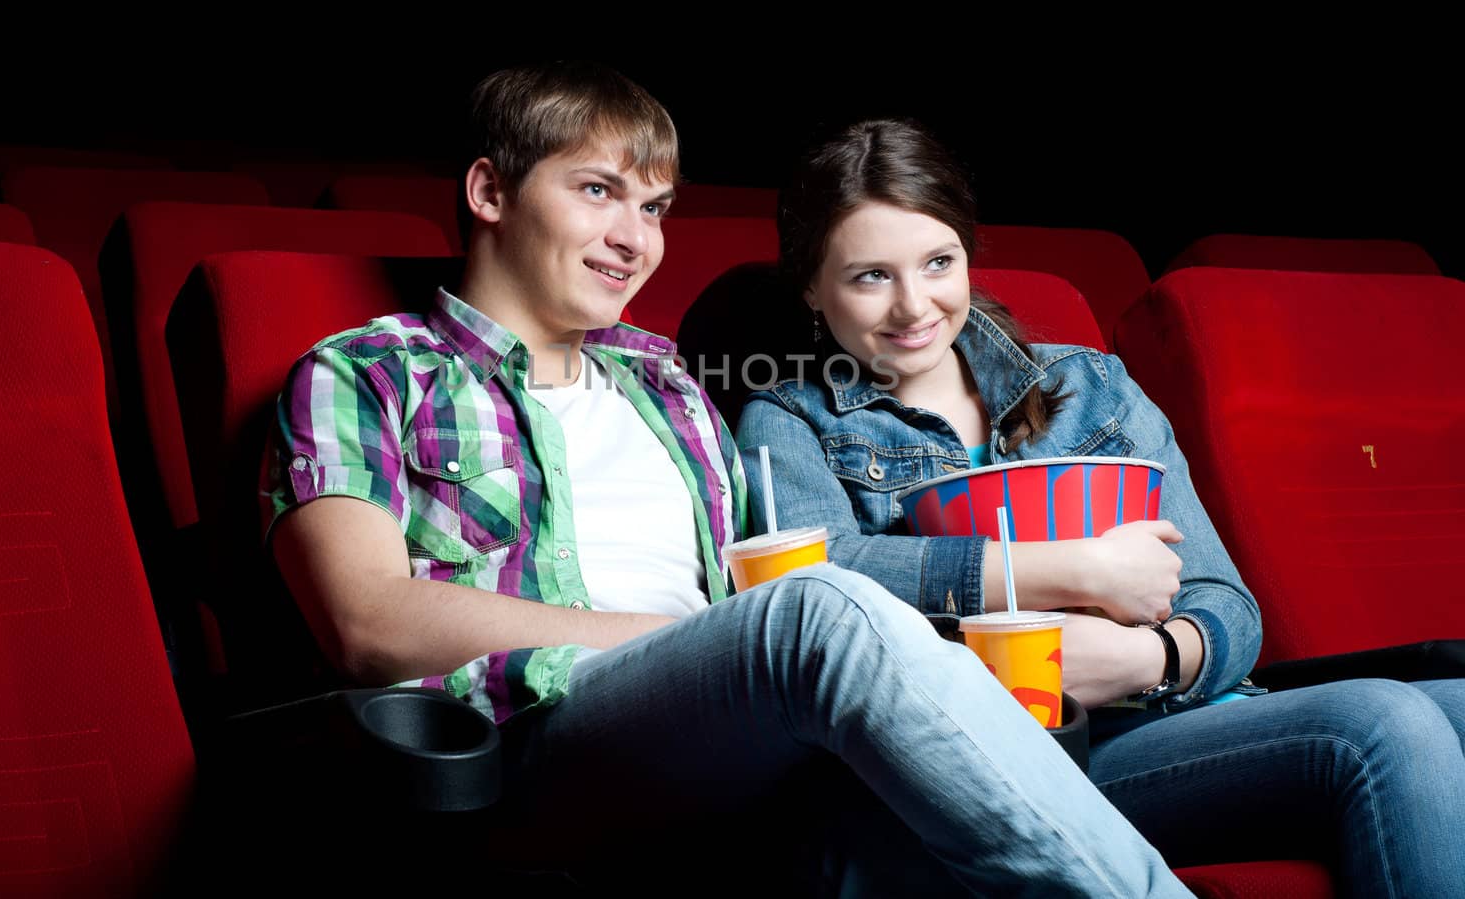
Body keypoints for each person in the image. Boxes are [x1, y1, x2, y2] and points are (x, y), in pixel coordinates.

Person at [260, 63, 1193, 894]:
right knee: (819, 607)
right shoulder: (371, 372)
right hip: (521, 745)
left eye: (655, 208)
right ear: (490, 191)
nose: (634, 237)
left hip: (733, 742)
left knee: (924, 839)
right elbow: (366, 621)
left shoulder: (671, 386)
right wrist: (689, 637)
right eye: (598, 191)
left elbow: (761, 596)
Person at [735, 116, 1465, 895]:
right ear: (813, 285)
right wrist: (1073, 568)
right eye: (870, 276)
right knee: (1384, 725)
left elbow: (1227, 603)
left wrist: (1146, 657)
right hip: (1005, 760)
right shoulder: (790, 418)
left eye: (937, 262)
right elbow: (819, 583)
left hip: (1170, 713)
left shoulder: (1091, 384)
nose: (914, 306)